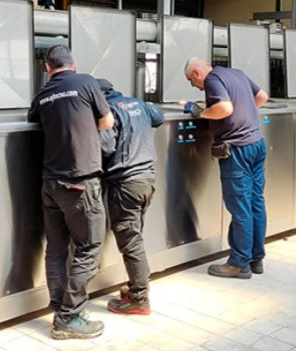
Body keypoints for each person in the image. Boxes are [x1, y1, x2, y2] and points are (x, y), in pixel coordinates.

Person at [28, 45, 114, 340]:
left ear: (47, 68)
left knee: (56, 248)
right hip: (80, 182)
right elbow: (107, 121)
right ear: (73, 64)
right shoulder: (86, 82)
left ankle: (60, 308)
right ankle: (68, 317)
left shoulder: (42, 94)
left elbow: (33, 121)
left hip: (50, 183)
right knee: (89, 248)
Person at [183, 57, 269, 279]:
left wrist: (201, 112)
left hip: (238, 149)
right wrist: (243, 118)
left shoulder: (212, 79)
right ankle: (255, 258)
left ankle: (239, 263)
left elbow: (224, 107)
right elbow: (262, 96)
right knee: (255, 202)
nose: (194, 86)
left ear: (196, 73)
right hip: (257, 143)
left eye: (191, 81)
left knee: (240, 206)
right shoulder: (237, 73)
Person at [97, 78, 164, 315]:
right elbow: (159, 117)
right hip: (147, 181)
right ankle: (135, 286)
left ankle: (139, 298)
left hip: (125, 183)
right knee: (135, 237)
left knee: (130, 242)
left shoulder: (108, 111)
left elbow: (106, 147)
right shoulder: (138, 103)